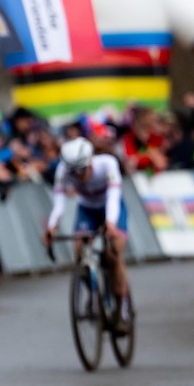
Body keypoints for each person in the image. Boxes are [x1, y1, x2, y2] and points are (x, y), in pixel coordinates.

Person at [41, 136, 133, 329]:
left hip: (111, 208)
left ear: (91, 161)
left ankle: (122, 308)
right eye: (74, 172)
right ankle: (94, 293)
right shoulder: (63, 170)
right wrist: (52, 226)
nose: (79, 175)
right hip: (87, 210)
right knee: (79, 250)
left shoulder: (107, 164)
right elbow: (59, 202)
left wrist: (110, 222)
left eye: (82, 169)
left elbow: (114, 196)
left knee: (114, 255)